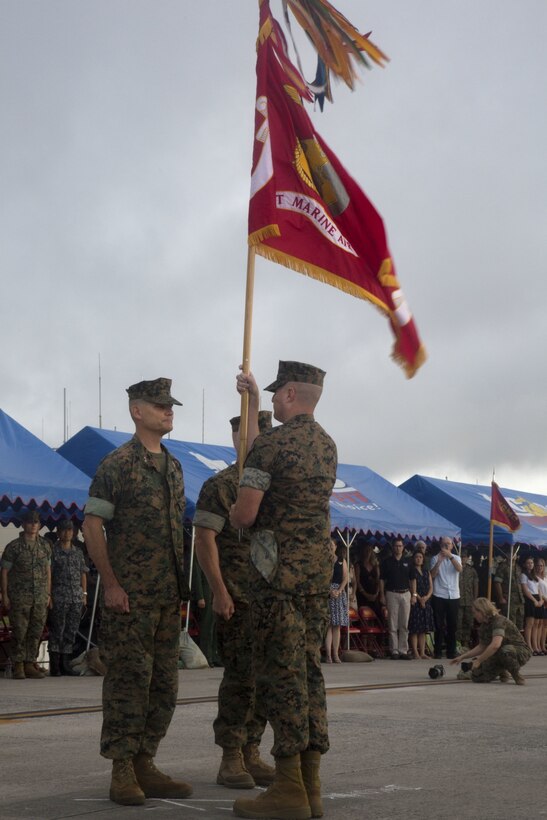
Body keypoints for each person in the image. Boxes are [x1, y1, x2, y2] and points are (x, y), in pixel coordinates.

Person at [229, 360, 337, 820]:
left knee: (280, 678)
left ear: (291, 394)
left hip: (277, 583)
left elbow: (247, 514)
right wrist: (252, 401)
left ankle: (288, 787)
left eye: (276, 394)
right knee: (310, 674)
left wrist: (235, 513)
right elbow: (268, 450)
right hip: (314, 580)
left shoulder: (272, 445)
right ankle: (310, 785)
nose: (272, 399)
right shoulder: (327, 446)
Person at [82, 377, 192, 807]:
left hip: (167, 597)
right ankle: (122, 770)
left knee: (164, 686)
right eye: (160, 405)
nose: (168, 411)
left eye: (170, 406)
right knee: (128, 683)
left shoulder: (175, 467)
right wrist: (110, 583)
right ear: (136, 411)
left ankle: (146, 760)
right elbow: (93, 525)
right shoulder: (118, 464)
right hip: (130, 598)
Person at [194, 376, 275, 790]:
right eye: (250, 431)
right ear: (237, 435)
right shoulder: (221, 485)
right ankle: (230, 754)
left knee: (265, 679)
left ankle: (252, 750)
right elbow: (204, 539)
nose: (256, 439)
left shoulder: (274, 487)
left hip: (271, 600)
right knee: (240, 678)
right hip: (238, 598)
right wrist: (220, 590)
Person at [0, 510, 51, 679]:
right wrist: (5, 595)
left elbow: (48, 570)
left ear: (40, 525)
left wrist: (48, 593)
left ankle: (30, 663)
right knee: (20, 631)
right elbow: (5, 572)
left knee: (36, 630)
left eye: (36, 522)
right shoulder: (14, 546)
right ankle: (18, 665)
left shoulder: (45, 545)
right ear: (23, 524)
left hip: (40, 595)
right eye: (30, 522)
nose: (33, 525)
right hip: (20, 596)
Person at [450, 597, 532, 685]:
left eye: (475, 613)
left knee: (505, 651)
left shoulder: (498, 621)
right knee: (477, 676)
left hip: (519, 651)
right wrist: (463, 657)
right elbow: (482, 647)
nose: (474, 616)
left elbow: (495, 645)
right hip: (499, 652)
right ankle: (502, 670)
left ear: (482, 611)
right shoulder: (483, 626)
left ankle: (516, 675)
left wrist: (479, 660)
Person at [48, 518, 89, 676]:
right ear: (58, 533)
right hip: (59, 596)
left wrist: (84, 594)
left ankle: (65, 663)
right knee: (58, 629)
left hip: (75, 597)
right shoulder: (53, 551)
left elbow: (83, 573)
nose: (67, 533)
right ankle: (55, 665)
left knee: (71, 630)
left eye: (70, 530)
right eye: (64, 530)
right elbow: (48, 574)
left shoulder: (77, 552)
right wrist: (49, 595)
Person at [379, 538, 412, 660]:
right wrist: (382, 594)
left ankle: (403, 650)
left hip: (405, 593)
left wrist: (413, 595)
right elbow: (382, 579)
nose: (398, 548)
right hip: (391, 593)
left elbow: (412, 579)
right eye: (396, 546)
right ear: (393, 547)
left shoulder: (408, 562)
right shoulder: (387, 562)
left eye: (400, 546)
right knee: (392, 623)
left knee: (404, 623)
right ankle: (394, 650)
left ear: (403, 547)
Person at [430, 536, 462, 659]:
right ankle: (437, 651)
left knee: (452, 625)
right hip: (439, 594)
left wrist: (450, 556)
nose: (446, 546)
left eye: (449, 544)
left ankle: (451, 651)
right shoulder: (435, 558)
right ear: (440, 545)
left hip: (453, 595)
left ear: (452, 546)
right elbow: (432, 575)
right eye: (444, 544)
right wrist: (439, 561)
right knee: (439, 625)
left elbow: (459, 569)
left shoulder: (457, 557)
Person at [324, 541, 348, 664]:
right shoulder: (323, 560)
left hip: (339, 592)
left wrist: (339, 590)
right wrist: (329, 590)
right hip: (327, 593)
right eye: (328, 545)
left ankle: (335, 653)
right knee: (328, 625)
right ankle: (328, 655)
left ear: (335, 546)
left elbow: (345, 578)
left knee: (337, 625)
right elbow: (321, 578)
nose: (330, 547)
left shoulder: (341, 560)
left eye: (332, 545)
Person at [408, 549, 434, 659]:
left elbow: (431, 587)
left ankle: (422, 652)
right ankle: (415, 652)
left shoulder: (426, 572)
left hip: (426, 601)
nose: (419, 559)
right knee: (415, 628)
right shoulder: (412, 571)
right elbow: (411, 587)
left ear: (423, 559)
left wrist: (426, 598)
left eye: (420, 557)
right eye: (416, 557)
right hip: (416, 601)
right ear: (413, 559)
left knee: (423, 629)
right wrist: (420, 599)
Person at [493, 549, 525, 630]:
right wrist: (501, 598)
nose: (512, 555)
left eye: (514, 553)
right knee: (510, 622)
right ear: (506, 554)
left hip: (519, 599)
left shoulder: (518, 567)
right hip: (508, 598)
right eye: (510, 553)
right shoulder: (502, 567)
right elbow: (497, 583)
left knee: (519, 622)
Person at [519, 556, 543, 654]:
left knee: (537, 624)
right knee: (529, 624)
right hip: (530, 599)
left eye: (532, 563)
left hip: (537, 598)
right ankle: (529, 646)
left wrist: (541, 600)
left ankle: (536, 646)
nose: (530, 565)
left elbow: (539, 589)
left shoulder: (534, 576)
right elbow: (525, 590)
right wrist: (534, 600)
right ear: (524, 564)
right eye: (528, 563)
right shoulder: (523, 575)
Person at [456, 550, 479, 651]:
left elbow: (475, 585)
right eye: (461, 557)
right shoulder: (455, 568)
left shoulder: (472, 570)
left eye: (464, 557)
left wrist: (475, 598)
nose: (463, 559)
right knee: (458, 622)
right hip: (458, 599)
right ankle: (458, 643)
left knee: (468, 622)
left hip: (469, 600)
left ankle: (465, 642)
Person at [354, 540, 381, 617]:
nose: (367, 552)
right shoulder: (358, 565)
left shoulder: (375, 565)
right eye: (366, 550)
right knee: (364, 614)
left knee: (376, 615)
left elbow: (379, 580)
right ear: (362, 551)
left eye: (369, 550)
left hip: (374, 594)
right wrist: (366, 594)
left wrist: (376, 594)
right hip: (363, 594)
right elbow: (357, 581)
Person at [534, 556, 547, 654]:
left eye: (541, 565)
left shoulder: (545, 577)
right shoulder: (535, 577)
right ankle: (537, 645)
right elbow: (539, 592)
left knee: (545, 626)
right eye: (538, 565)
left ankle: (543, 645)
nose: (540, 567)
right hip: (541, 602)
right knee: (539, 625)